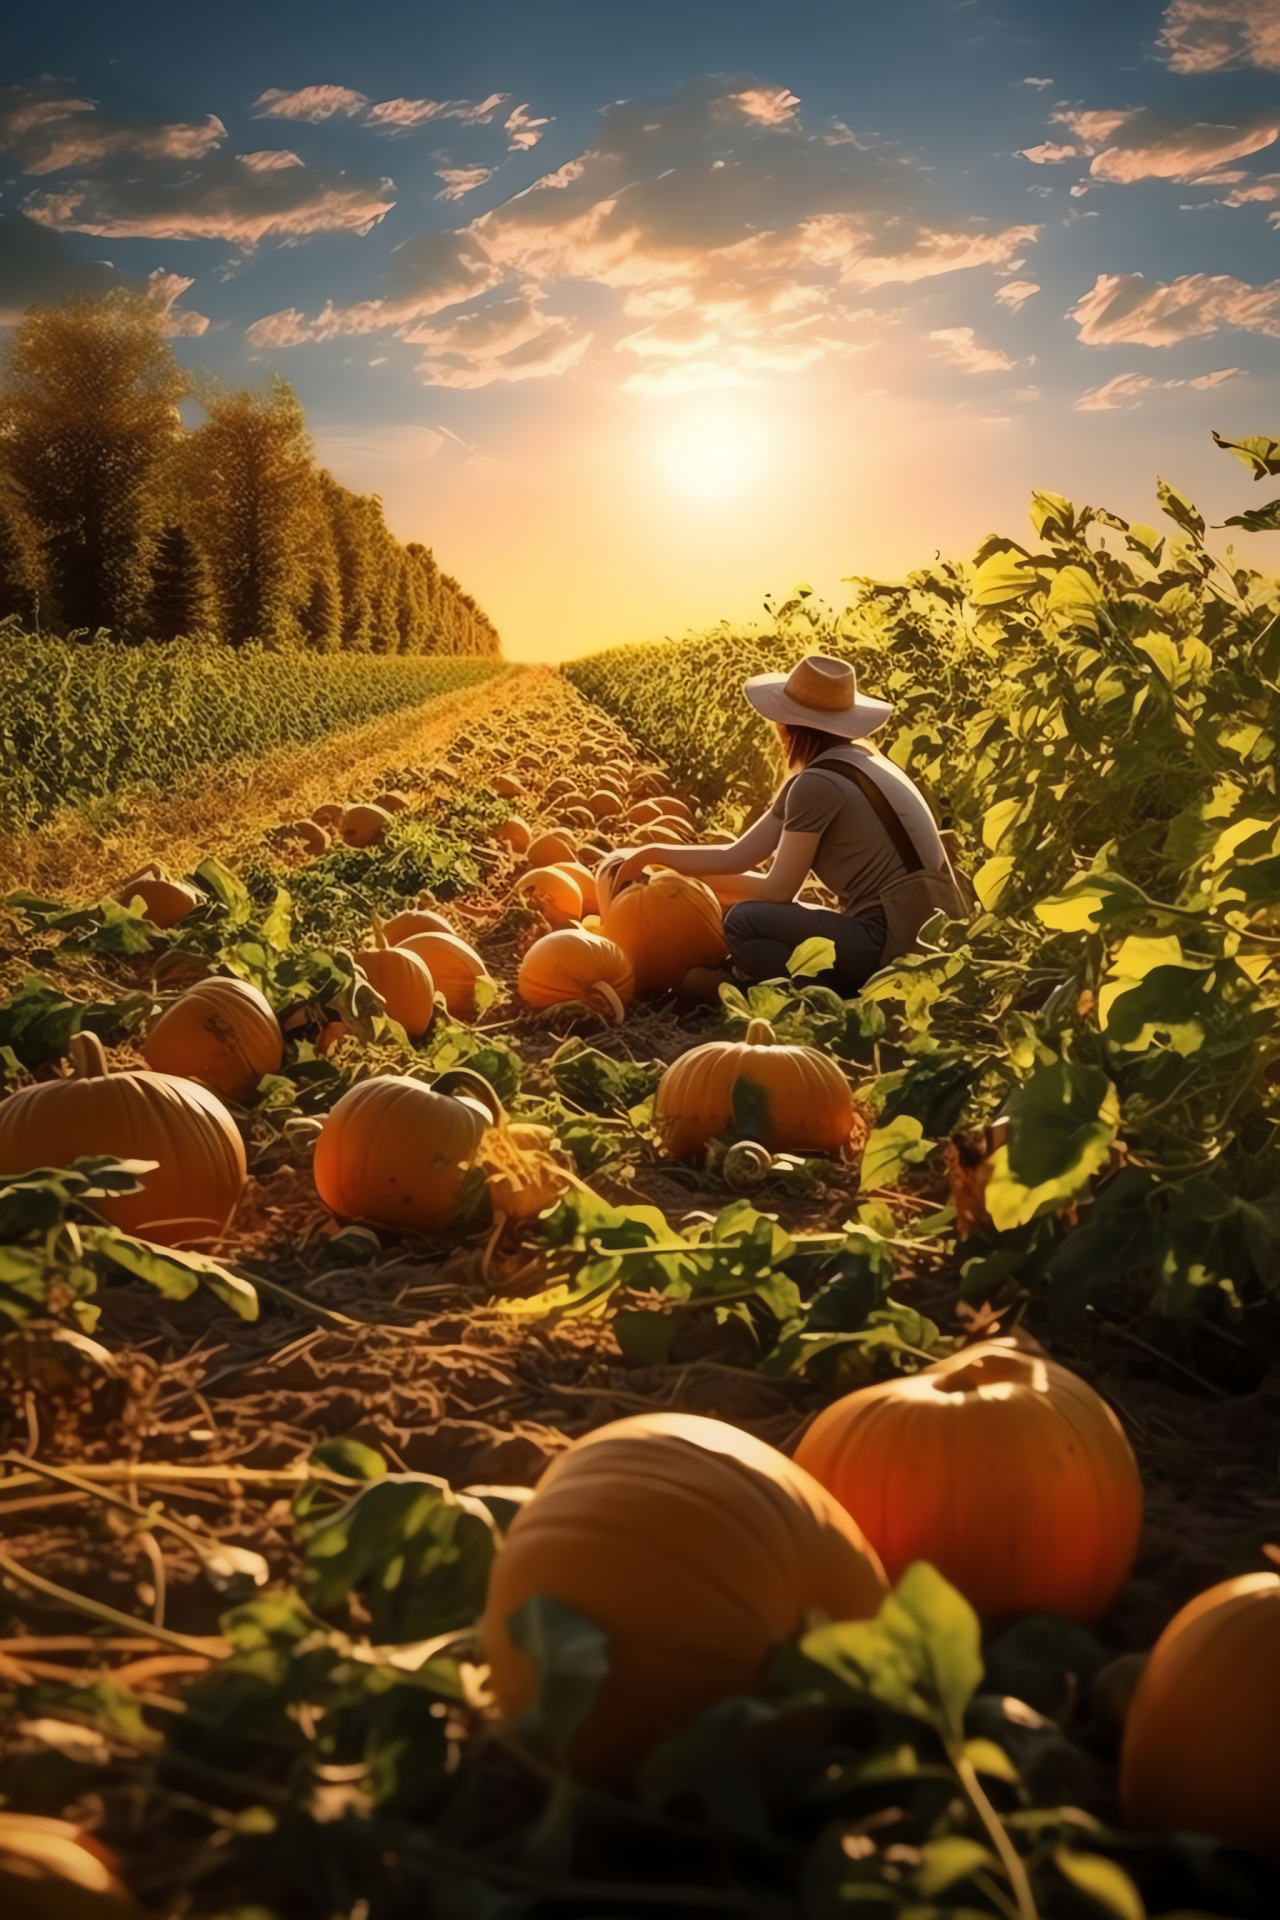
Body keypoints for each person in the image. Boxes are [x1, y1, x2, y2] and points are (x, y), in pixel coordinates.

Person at [604, 653, 950, 1001]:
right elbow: (739, 854)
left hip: (890, 942)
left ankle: (819, 1003)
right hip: (929, 933)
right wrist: (658, 857)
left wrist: (682, 882)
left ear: (789, 726)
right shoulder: (858, 764)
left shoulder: (818, 784)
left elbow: (779, 892)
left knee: (743, 920)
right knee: (757, 916)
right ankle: (810, 987)